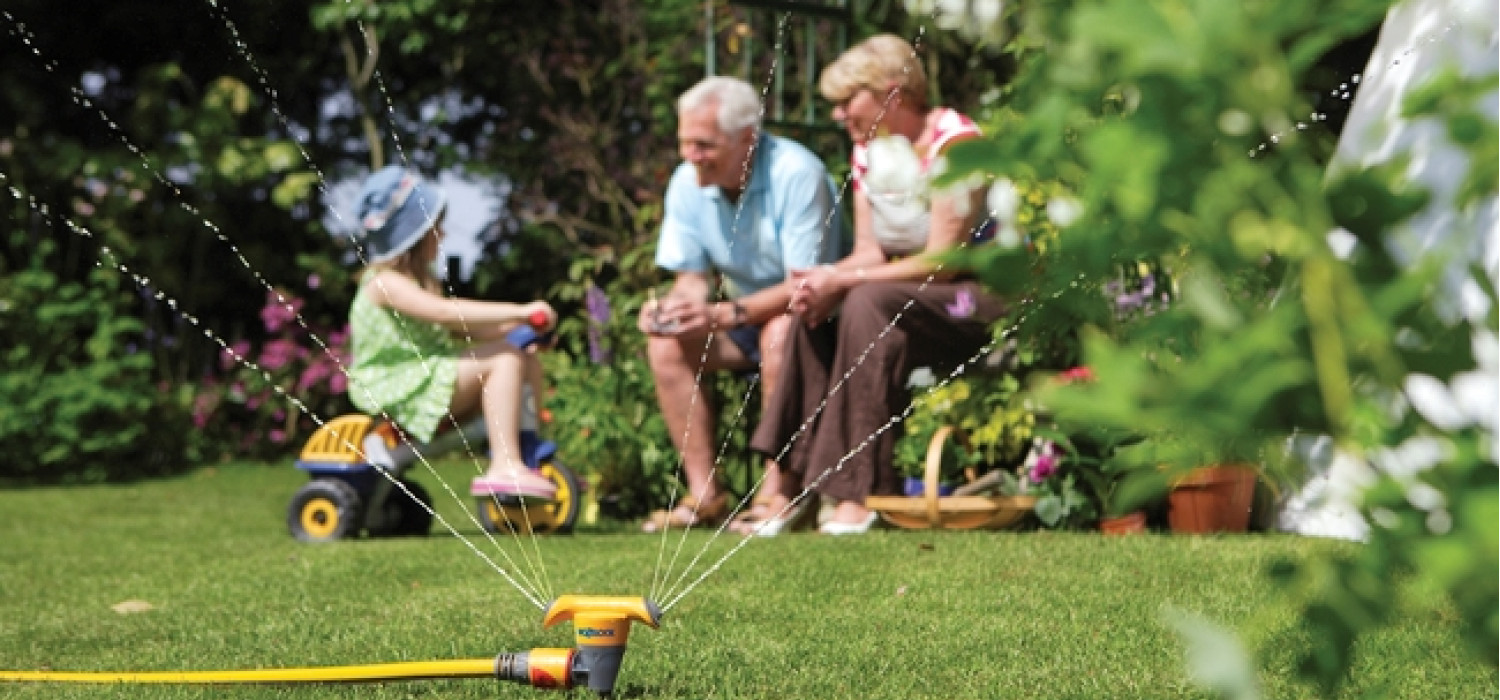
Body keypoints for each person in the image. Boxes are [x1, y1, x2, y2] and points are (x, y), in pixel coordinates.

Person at [741, 34, 1009, 535]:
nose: (838, 114)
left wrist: (846, 279)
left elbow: (943, 262)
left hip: (977, 300)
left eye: (848, 100)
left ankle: (857, 491)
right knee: (814, 308)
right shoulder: (869, 151)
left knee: (864, 299)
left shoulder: (956, 144)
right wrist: (825, 281)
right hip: (908, 299)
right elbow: (870, 250)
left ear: (893, 93)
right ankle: (790, 485)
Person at [639, 76, 844, 532]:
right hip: (742, 320)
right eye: (685, 142)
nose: (690, 155)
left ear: (747, 139)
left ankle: (779, 494)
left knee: (779, 333)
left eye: (704, 144)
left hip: (820, 321)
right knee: (666, 344)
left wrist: (722, 314)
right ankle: (705, 496)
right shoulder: (687, 182)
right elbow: (690, 278)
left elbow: (803, 288)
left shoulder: (798, 174)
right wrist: (673, 312)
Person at [346, 165, 559, 501]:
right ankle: (504, 466)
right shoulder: (385, 283)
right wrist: (519, 311)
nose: (443, 235)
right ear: (415, 235)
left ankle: (525, 450)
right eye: (436, 228)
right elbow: (446, 314)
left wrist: (523, 327)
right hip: (403, 386)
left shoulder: (416, 282)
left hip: (429, 375)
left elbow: (464, 329)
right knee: (505, 359)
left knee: (523, 355)